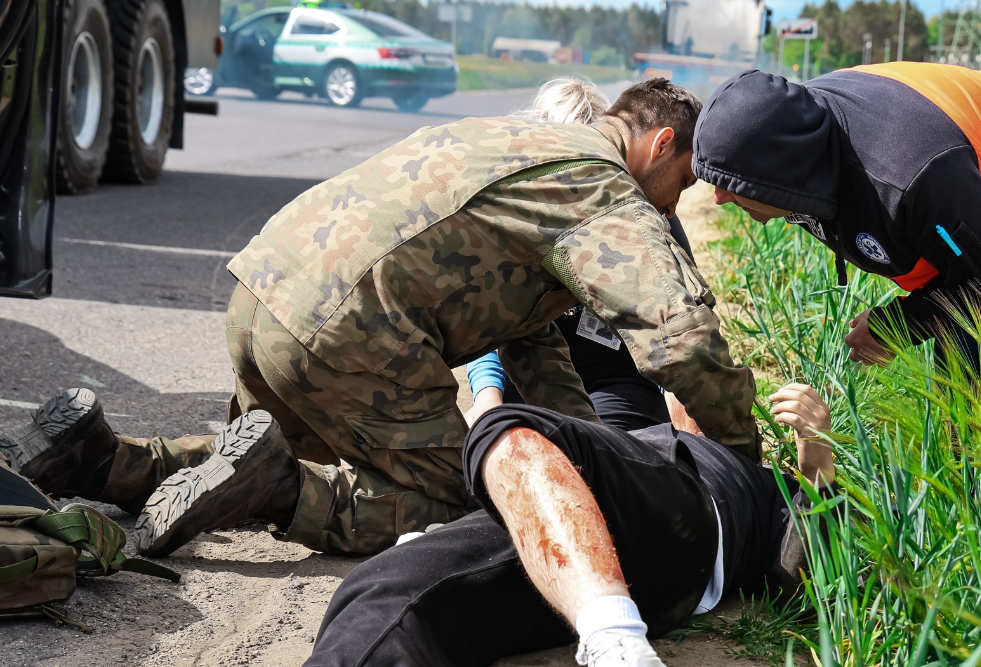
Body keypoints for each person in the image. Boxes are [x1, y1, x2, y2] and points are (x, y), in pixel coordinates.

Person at [0, 79, 758, 557]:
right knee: (473, 494)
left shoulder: (512, 138)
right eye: (684, 182)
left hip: (263, 298)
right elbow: (681, 341)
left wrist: (587, 456)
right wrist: (741, 465)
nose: (677, 203)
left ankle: (99, 457)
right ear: (661, 144)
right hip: (347, 336)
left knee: (270, 450)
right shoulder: (602, 188)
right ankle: (278, 492)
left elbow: (531, 339)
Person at [100, 382, 835, 667]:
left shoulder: (739, 473)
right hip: (576, 549)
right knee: (404, 576)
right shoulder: (627, 420)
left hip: (681, 527)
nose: (686, 396)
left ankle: (626, 663)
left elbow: (807, 566)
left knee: (505, 428)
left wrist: (817, 462)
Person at [692, 63, 981, 369]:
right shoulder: (800, 131)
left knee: (975, 345)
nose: (719, 199)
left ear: (784, 171)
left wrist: (898, 326)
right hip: (965, 178)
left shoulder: (909, 176)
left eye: (735, 184)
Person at [463, 76, 690, 433]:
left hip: (617, 381)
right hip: (530, 377)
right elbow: (485, 319)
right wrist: (487, 399)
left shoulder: (644, 217)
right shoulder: (516, 214)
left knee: (614, 446)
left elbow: (676, 325)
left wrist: (682, 404)